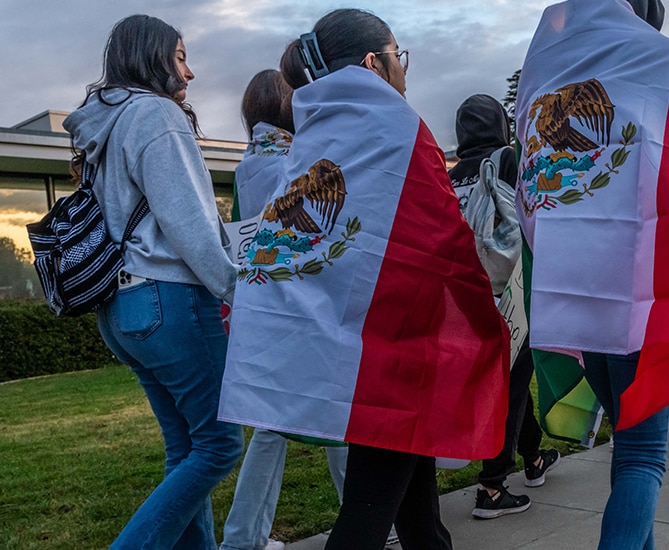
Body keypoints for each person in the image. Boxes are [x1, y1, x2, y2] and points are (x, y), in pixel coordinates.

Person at [219, 9, 509, 550]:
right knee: (367, 513)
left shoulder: (316, 131)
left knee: (417, 513)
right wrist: (482, 308)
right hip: (390, 347)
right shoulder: (396, 126)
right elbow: (442, 238)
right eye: (400, 55)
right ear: (375, 63)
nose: (405, 70)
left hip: (353, 339)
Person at [516, 1, 669, 547]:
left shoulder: (545, 69)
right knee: (643, 456)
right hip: (635, 295)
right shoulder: (656, 57)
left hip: (570, 292)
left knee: (628, 449)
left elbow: (530, 193)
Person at [63, 14, 242, 549]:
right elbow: (186, 220)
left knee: (186, 449)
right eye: (181, 57)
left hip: (121, 310)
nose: (190, 72)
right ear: (153, 56)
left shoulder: (104, 126)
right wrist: (235, 287)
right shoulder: (155, 114)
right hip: (170, 298)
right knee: (218, 447)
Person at [220, 69, 366, 550]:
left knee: (270, 426)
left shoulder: (246, 166)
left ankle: (243, 537)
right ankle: (365, 519)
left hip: (263, 304)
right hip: (306, 301)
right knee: (335, 413)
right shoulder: (296, 160)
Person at [447, 94, 559, 519]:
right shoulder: (506, 160)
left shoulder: (454, 175)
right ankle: (492, 487)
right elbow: (528, 218)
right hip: (509, 293)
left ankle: (532, 458)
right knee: (513, 381)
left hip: (466, 297)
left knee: (514, 375)